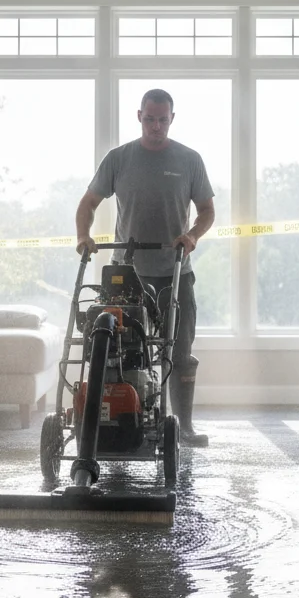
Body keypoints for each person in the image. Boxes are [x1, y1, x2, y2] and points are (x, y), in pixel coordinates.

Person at [75, 88, 216, 447]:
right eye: (150, 119)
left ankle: (183, 427)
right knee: (119, 349)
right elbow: (89, 202)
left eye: (163, 120)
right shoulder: (119, 159)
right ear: (139, 116)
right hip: (126, 273)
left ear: (172, 118)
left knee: (179, 351)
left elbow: (207, 210)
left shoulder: (189, 159)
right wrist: (83, 235)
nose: (156, 126)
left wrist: (193, 235)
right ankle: (114, 423)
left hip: (174, 272)